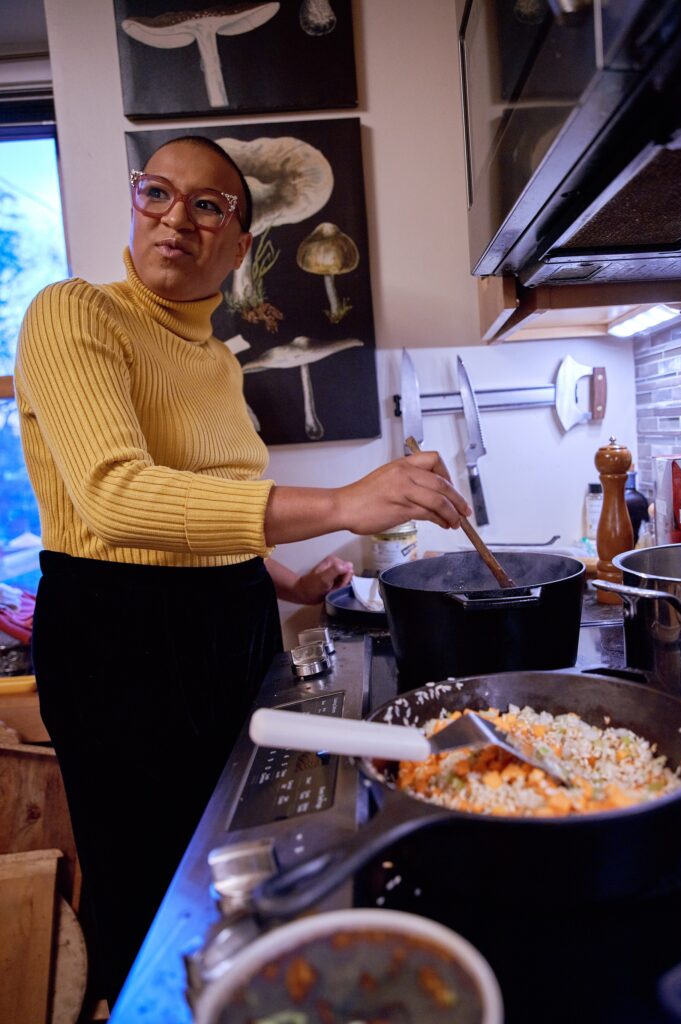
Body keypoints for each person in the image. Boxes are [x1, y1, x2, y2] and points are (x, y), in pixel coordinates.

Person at [14, 135, 471, 1003]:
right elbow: (119, 499)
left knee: (229, 858)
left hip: (230, 618)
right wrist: (341, 502)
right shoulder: (73, 313)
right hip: (120, 636)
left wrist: (286, 581)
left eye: (208, 205)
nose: (175, 218)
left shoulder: (219, 361)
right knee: (153, 888)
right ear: (138, 202)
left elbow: (207, 504)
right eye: (158, 193)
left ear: (239, 243)